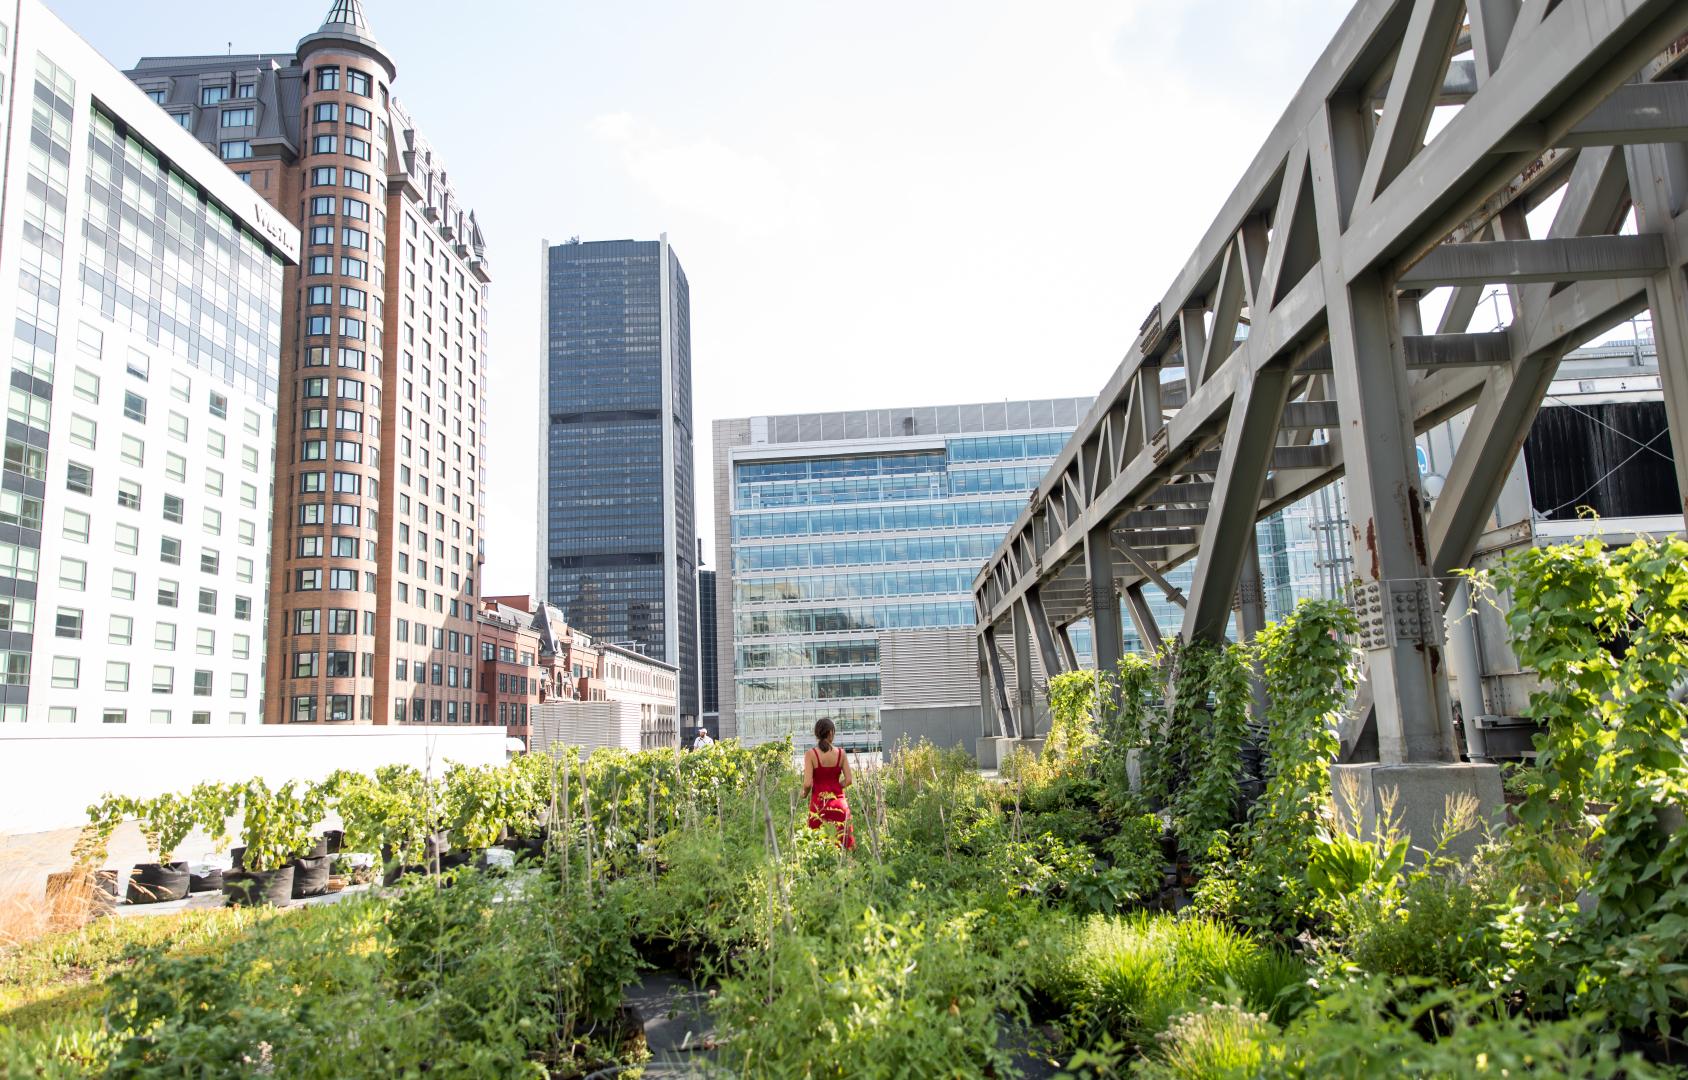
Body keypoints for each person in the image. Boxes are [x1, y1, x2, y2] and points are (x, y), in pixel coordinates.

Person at [801, 717, 855, 850]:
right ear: (831, 733)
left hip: (819, 805)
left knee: (817, 845)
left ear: (817, 734)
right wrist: (836, 786)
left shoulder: (811, 754)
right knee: (844, 846)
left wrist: (803, 795)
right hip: (839, 804)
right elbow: (848, 780)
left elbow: (807, 783)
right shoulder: (841, 753)